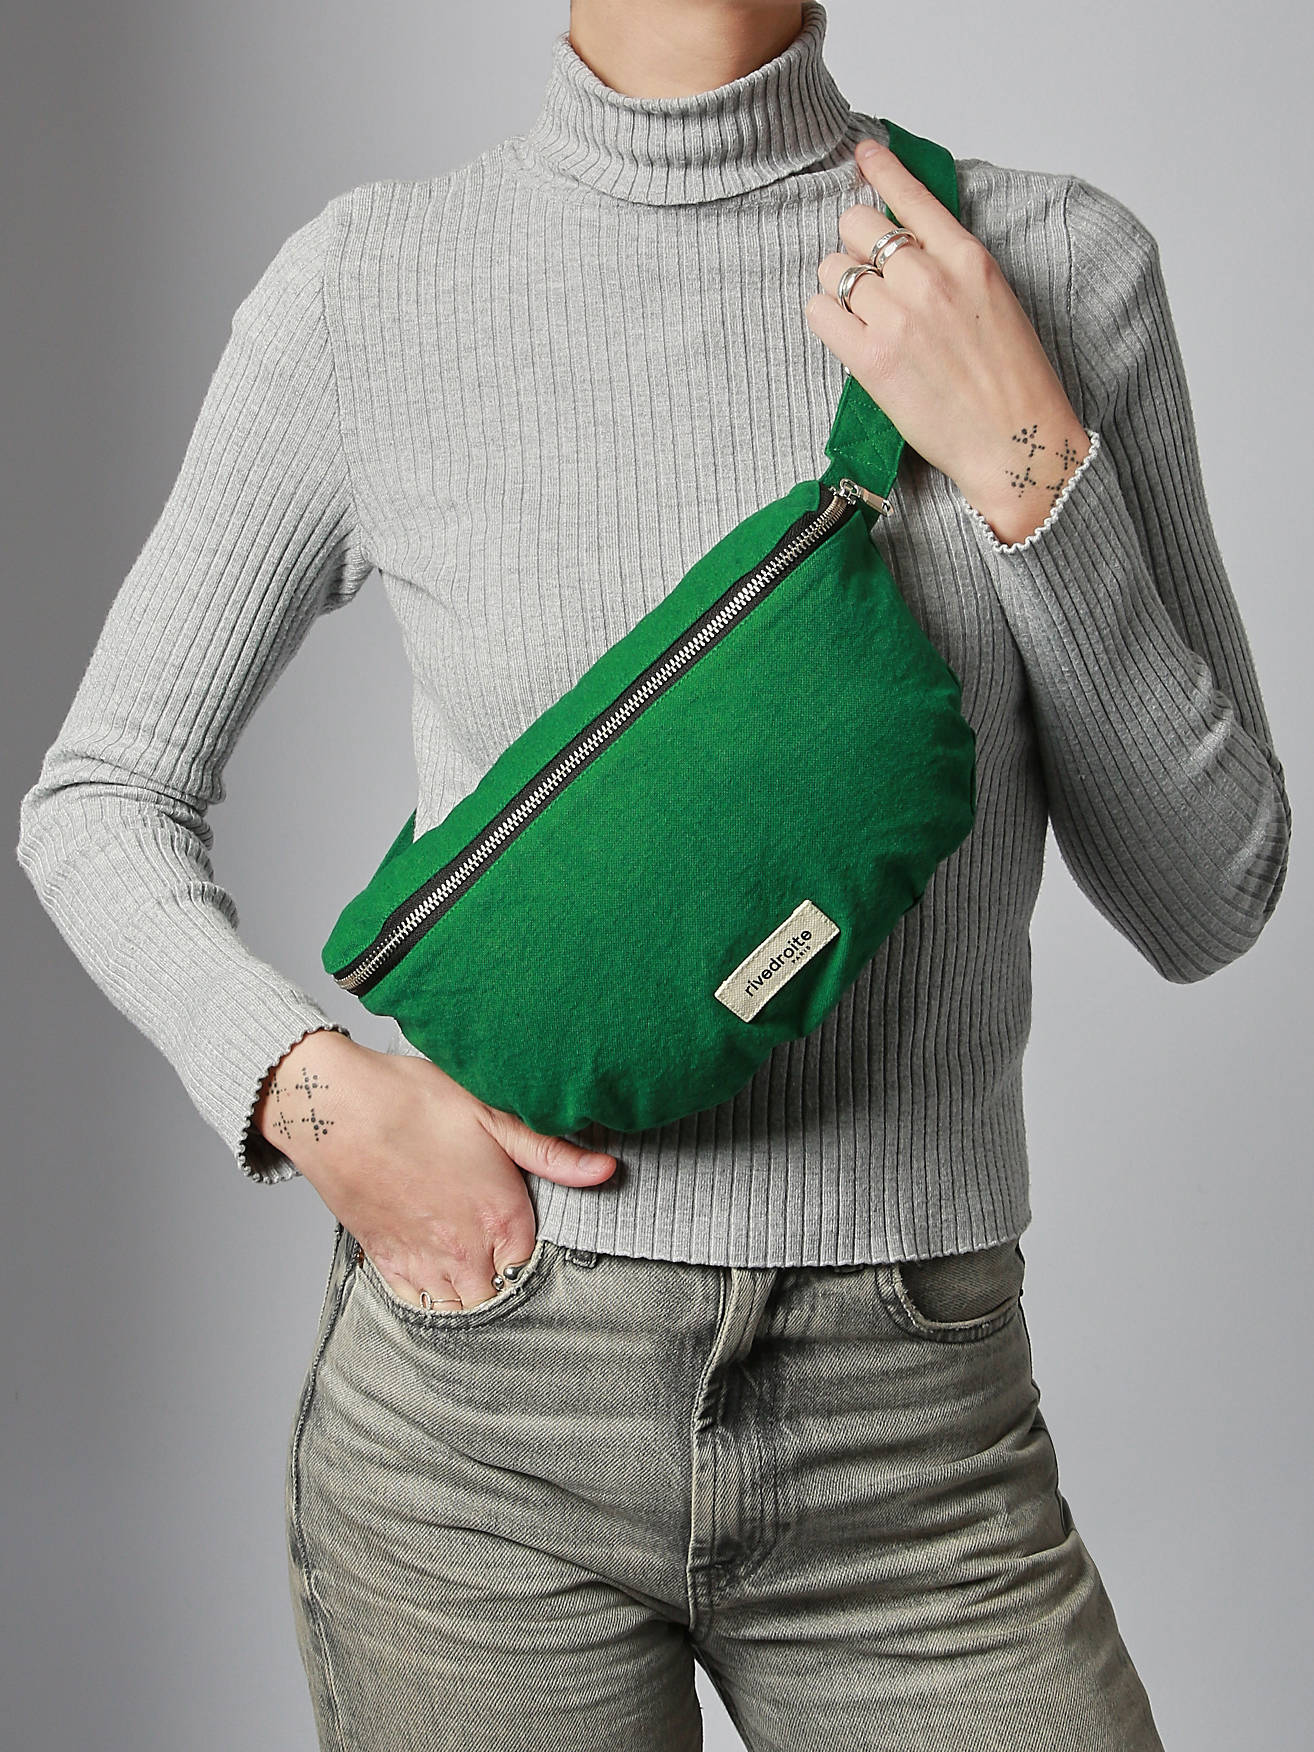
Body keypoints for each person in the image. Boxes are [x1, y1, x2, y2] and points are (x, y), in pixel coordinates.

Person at [15, 2, 1290, 1747]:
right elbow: (99, 794)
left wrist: (1024, 459)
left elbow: (1208, 896)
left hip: (916, 1448)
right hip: (478, 1421)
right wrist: (311, 1100)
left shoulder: (1042, 266)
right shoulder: (373, 288)